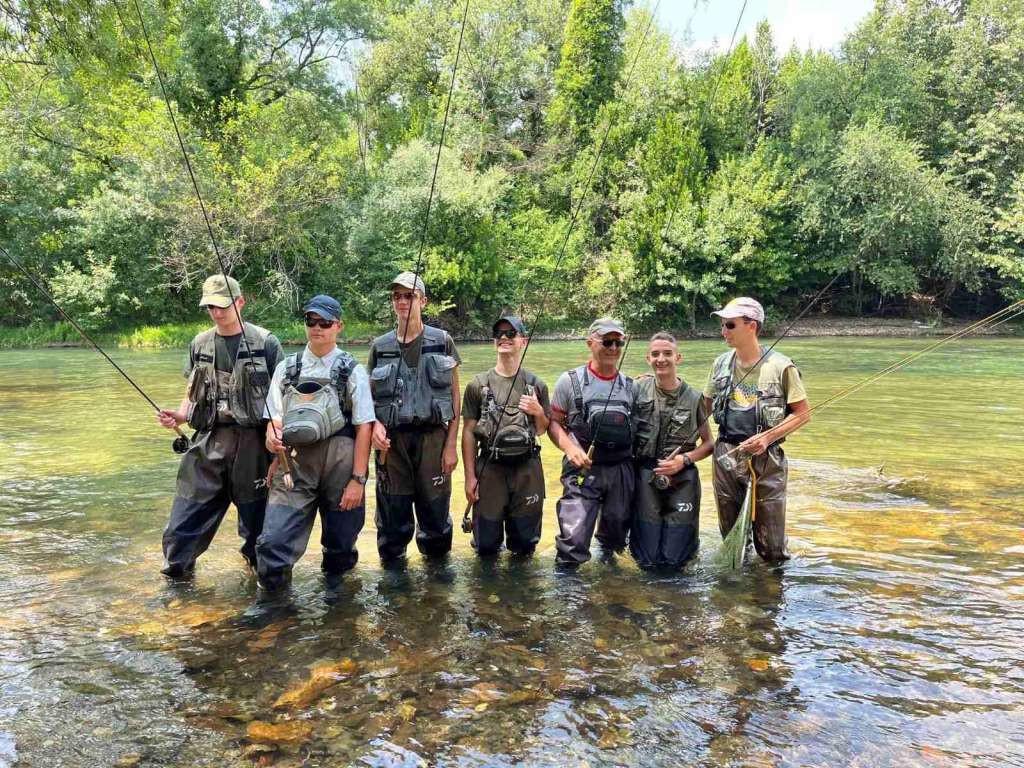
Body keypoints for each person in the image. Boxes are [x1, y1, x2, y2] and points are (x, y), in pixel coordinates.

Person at [156, 274, 283, 577]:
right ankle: (177, 584)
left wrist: (277, 440)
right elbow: (192, 388)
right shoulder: (199, 343)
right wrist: (181, 415)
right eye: (210, 306)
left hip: (254, 445)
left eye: (222, 305)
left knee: (258, 529)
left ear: (240, 302)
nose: (216, 312)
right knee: (182, 523)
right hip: (209, 440)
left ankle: (262, 583)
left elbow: (281, 396)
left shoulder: (266, 343)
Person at [256, 295, 374, 591]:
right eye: (311, 321)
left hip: (342, 469)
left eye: (325, 323)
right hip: (294, 468)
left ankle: (338, 618)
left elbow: (364, 428)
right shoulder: (286, 369)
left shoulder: (353, 371)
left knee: (340, 551)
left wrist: (358, 480)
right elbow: (274, 418)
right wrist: (271, 436)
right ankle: (275, 613)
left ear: (339, 326)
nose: (317, 328)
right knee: (273, 545)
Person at [703, 297, 810, 562]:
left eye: (730, 325)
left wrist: (767, 438)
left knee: (771, 548)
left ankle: (769, 595)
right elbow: (701, 409)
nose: (723, 331)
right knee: (732, 539)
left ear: (751, 326)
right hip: (726, 455)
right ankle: (734, 593)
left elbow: (803, 413)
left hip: (767, 461)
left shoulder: (781, 367)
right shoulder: (719, 365)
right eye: (723, 325)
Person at [368, 272, 462, 564]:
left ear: (423, 300)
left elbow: (456, 398)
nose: (402, 301)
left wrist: (450, 446)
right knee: (392, 522)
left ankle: (437, 582)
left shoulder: (443, 342)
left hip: (434, 439)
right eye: (397, 296)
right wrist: (374, 427)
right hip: (391, 447)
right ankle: (395, 587)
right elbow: (367, 401)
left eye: (409, 295)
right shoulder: (379, 347)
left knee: (435, 519)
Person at [547, 317, 636, 567]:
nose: (613, 348)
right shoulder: (569, 381)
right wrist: (569, 448)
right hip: (582, 469)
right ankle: (570, 595)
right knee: (572, 541)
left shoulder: (632, 386)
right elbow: (553, 423)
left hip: (621, 470)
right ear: (590, 343)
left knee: (616, 539)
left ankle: (611, 588)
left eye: (618, 342)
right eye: (607, 342)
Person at [461, 316, 550, 556]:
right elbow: (468, 433)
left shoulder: (537, 384)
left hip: (527, 471)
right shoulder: (476, 385)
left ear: (523, 340)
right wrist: (470, 477)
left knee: (525, 545)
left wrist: (538, 411)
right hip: (489, 469)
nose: (504, 338)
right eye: (499, 333)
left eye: (511, 334)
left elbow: (542, 429)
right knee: (486, 547)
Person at [630, 332, 715, 569]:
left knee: (676, 560)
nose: (661, 359)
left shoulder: (695, 397)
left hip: (683, 478)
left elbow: (709, 443)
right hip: (646, 474)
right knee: (646, 560)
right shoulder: (636, 389)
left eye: (667, 353)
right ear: (648, 359)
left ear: (678, 358)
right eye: (655, 354)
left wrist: (684, 460)